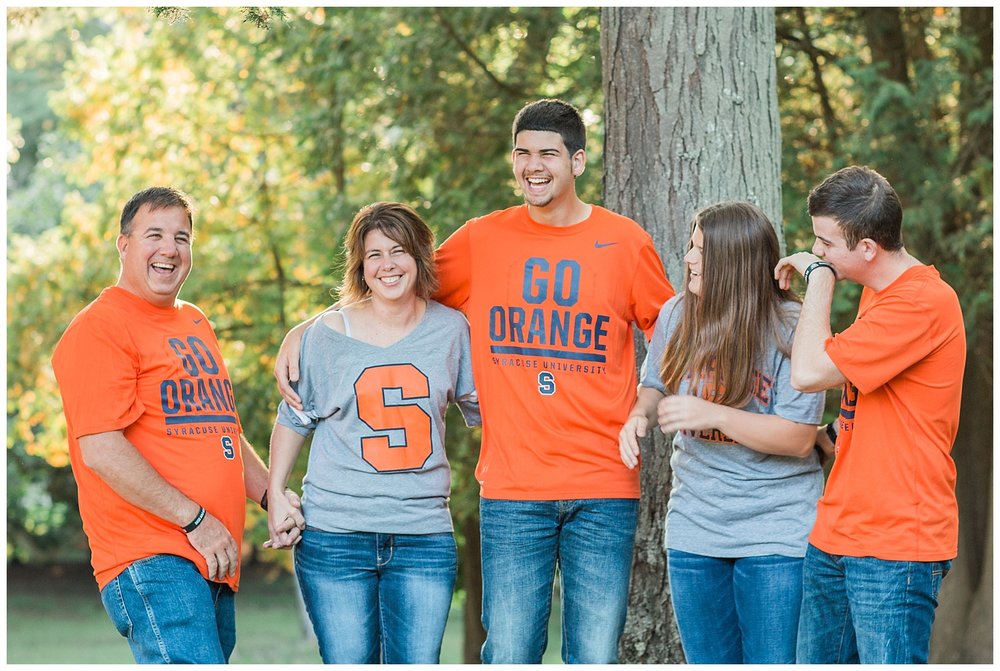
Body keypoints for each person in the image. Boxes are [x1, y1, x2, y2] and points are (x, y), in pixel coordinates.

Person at [275, 99, 675, 663]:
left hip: (604, 481)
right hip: (513, 485)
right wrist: (309, 328)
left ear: (578, 161)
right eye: (523, 154)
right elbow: (394, 286)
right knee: (509, 652)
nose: (533, 166)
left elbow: (673, 329)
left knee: (594, 655)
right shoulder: (482, 240)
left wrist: (647, 403)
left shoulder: (625, 241)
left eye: (548, 154)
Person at [51, 186, 305, 664]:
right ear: (123, 244)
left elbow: (221, 431)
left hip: (211, 558)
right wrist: (195, 519)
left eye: (182, 238)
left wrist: (271, 494)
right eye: (155, 235)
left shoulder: (194, 322)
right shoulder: (100, 328)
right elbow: (101, 449)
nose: (170, 248)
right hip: (153, 556)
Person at [266, 202, 480, 664]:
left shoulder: (451, 330)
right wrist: (275, 494)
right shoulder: (325, 335)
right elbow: (294, 419)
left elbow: (487, 411)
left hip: (422, 535)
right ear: (360, 267)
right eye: (374, 255)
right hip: (335, 536)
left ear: (420, 256)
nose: (387, 265)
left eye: (398, 251)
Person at [619, 201, 825, 663]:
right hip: (696, 529)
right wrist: (639, 416)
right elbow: (654, 385)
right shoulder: (677, 314)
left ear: (735, 262)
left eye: (700, 251)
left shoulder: (790, 328)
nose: (688, 258)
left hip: (777, 533)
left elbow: (798, 437)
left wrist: (713, 414)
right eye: (691, 247)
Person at [774, 166, 966, 664]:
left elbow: (810, 371)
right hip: (837, 531)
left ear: (866, 249)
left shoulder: (922, 302)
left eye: (825, 244)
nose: (816, 253)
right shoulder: (876, 292)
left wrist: (819, 283)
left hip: (897, 543)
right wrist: (827, 435)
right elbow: (883, 401)